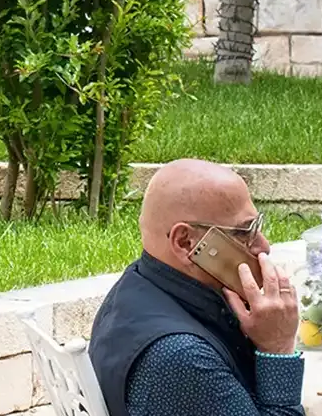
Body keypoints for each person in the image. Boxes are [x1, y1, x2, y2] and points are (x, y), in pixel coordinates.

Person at [88, 160, 305, 416]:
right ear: (185, 242)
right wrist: (277, 348)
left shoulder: (140, 284)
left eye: (257, 227)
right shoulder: (180, 357)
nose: (263, 245)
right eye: (244, 232)